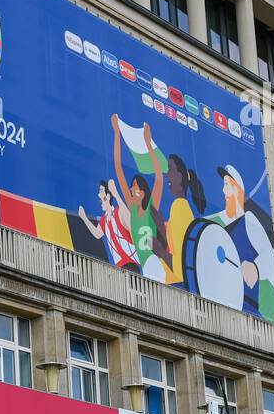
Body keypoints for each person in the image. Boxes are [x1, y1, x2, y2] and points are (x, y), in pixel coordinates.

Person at [207, 164, 274, 321]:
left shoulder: (248, 220)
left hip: (248, 311)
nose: (223, 191)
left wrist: (255, 266)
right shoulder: (221, 225)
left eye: (226, 185)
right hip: (224, 307)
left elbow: (269, 254)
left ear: (236, 189)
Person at [112, 116, 172, 282]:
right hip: (145, 267)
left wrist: (147, 141)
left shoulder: (151, 209)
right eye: (131, 187)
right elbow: (118, 167)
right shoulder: (132, 208)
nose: (131, 190)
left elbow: (159, 177)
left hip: (154, 264)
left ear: (143, 192)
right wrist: (117, 133)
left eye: (135, 187)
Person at [163, 154, 205, 288]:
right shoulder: (182, 207)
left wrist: (159, 250)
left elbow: (181, 261)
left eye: (170, 169)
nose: (167, 174)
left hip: (178, 284)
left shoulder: (179, 207)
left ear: (180, 177)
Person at [78, 180, 138, 271]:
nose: (98, 194)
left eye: (101, 191)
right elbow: (97, 234)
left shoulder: (118, 211)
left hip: (131, 265)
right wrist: (84, 218)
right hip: (119, 267)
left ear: (108, 196)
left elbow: (130, 223)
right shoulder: (104, 219)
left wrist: (116, 194)